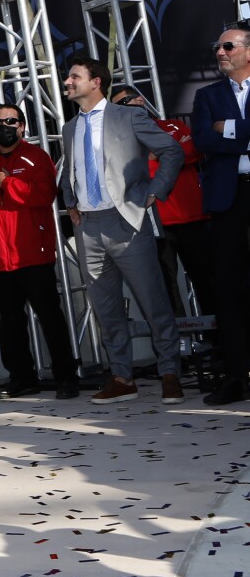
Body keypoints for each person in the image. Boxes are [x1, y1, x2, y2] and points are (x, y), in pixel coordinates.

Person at [58, 58, 184, 405]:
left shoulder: (128, 116)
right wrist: (70, 201)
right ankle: (122, 377)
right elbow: (72, 168)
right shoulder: (70, 128)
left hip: (126, 221)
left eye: (74, 76)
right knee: (106, 307)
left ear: (96, 81)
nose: (67, 82)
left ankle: (170, 373)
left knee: (152, 300)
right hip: (88, 226)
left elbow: (171, 149)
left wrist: (154, 191)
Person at [0, 103, 79, 400]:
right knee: (10, 322)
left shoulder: (36, 157)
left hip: (34, 254)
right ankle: (22, 378)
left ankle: (66, 377)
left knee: (50, 317)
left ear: (22, 126)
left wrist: (10, 183)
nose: (5, 126)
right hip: (0, 259)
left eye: (11, 121)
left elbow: (45, 195)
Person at [110, 85, 216, 329]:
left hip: (192, 217)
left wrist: (160, 155)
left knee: (207, 280)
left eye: (129, 99)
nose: (129, 106)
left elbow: (193, 149)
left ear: (140, 99)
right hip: (154, 223)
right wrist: (165, 157)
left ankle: (219, 344)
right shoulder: (122, 141)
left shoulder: (172, 126)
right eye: (120, 105)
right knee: (165, 287)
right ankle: (178, 346)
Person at [191, 23, 250, 405]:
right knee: (229, 289)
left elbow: (218, 136)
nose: (220, 52)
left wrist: (228, 128)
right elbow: (202, 140)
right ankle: (236, 376)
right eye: (218, 46)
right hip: (229, 199)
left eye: (227, 46)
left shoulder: (219, 109)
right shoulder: (207, 95)